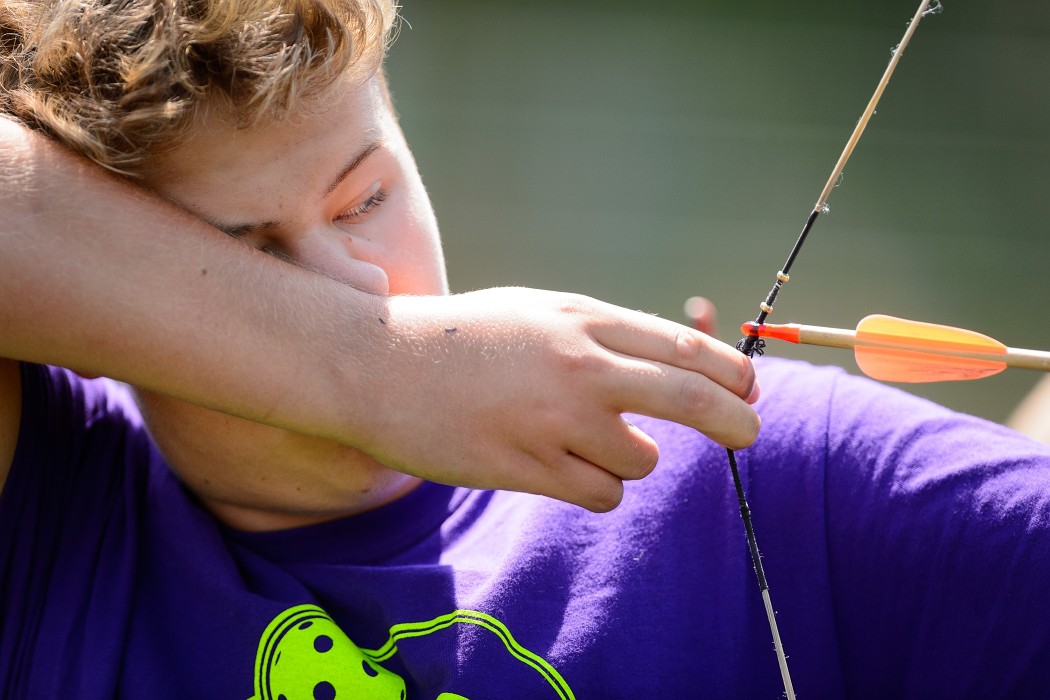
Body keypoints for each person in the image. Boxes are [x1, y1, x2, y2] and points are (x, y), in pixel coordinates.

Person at [2, 0, 1049, 697]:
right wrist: (371, 366)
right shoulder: (59, 518)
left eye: (365, 197)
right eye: (250, 255)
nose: (356, 283)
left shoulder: (765, 473)